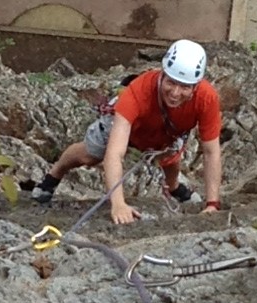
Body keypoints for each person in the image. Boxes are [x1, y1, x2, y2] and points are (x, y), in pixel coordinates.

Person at [25, 40, 223, 226]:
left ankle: (174, 188)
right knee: (89, 155)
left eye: (185, 87)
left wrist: (212, 204)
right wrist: (118, 204)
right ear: (162, 74)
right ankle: (54, 174)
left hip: (166, 132)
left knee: (170, 159)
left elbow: (211, 151)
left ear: (196, 86)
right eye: (171, 82)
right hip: (127, 125)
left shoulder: (206, 99)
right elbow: (114, 153)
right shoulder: (138, 92)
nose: (175, 92)